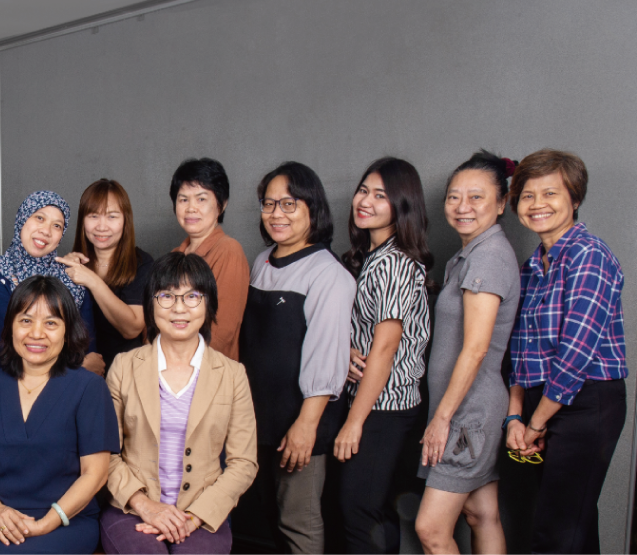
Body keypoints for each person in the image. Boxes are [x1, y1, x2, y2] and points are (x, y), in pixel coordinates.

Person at [505, 149, 626, 555]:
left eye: (550, 193)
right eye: (527, 195)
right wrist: (515, 416)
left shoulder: (588, 255)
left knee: (557, 534)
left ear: (574, 199)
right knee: (572, 527)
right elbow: (520, 350)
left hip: (586, 402)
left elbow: (575, 354)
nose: (537, 204)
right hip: (542, 402)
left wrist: (535, 424)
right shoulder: (531, 267)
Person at [102, 252, 258, 555]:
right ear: (151, 304)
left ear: (209, 304)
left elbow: (243, 462)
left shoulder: (232, 374)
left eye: (192, 296)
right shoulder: (123, 366)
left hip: (202, 511)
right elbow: (106, 453)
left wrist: (194, 517)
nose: (179, 308)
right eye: (166, 296)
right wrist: (145, 505)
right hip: (131, 507)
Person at [236, 161, 354, 555]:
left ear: (312, 208)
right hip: (260, 417)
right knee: (268, 514)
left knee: (298, 521)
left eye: (289, 204)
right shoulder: (262, 261)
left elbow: (326, 357)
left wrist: (306, 425)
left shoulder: (328, 274)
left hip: (300, 422)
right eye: (269, 204)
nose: (276, 214)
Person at [0, 276, 119, 555]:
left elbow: (95, 474)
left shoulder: (89, 388)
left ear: (68, 331)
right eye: (25, 320)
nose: (36, 333)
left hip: (65, 520)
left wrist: (46, 523)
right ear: (10, 326)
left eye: (51, 323)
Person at [413, 152, 519, 555]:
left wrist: (442, 420)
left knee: (431, 530)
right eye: (454, 197)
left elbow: (475, 349)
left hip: (466, 413)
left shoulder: (487, 256)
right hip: (471, 408)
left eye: (476, 197)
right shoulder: (473, 253)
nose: (463, 207)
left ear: (501, 202)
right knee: (482, 514)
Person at [336, 157, 433, 555]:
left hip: (384, 408)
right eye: (363, 191)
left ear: (402, 205)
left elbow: (387, 346)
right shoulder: (375, 255)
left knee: (359, 512)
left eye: (380, 195)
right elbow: (370, 332)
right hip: (377, 403)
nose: (366, 201)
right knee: (374, 513)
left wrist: (354, 422)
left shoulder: (393, 262)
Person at [0, 191, 102, 375]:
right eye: (39, 218)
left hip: (75, 390)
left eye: (57, 225)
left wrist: (83, 371)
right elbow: (11, 350)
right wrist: (79, 371)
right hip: (12, 385)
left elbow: (89, 351)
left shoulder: (73, 278)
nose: (46, 231)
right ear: (22, 219)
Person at [60, 179, 154, 369]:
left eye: (112, 216)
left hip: (127, 372)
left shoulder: (141, 263)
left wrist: (92, 280)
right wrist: (62, 274)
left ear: (125, 220)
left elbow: (132, 328)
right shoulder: (72, 264)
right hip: (79, 371)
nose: (101, 226)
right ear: (83, 220)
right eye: (93, 216)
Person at [169, 158, 249, 362]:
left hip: (207, 370)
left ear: (221, 205)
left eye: (201, 199)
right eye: (183, 199)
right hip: (167, 369)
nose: (191, 208)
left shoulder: (228, 251)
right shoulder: (174, 255)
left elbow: (222, 332)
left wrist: (177, 365)